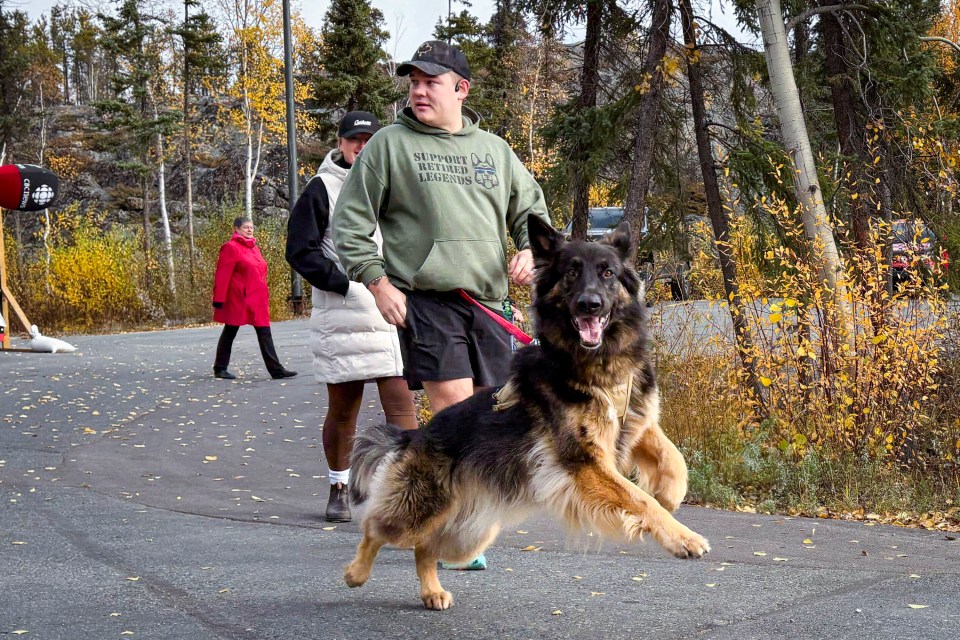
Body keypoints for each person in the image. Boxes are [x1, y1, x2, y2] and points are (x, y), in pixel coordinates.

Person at [333, 41, 551, 568]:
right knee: (455, 411)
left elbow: (531, 210)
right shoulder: (389, 145)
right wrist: (378, 283)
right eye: (413, 81)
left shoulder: (493, 151)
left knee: (497, 413)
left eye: (431, 81)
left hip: (490, 302)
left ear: (461, 88)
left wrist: (528, 249)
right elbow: (350, 224)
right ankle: (453, 527)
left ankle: (465, 514)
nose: (419, 89)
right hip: (428, 300)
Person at [286, 111, 418, 523]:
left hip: (391, 310)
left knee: (401, 407)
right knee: (344, 411)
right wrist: (343, 283)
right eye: (354, 139)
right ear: (340, 143)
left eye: (369, 139)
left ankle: (405, 492)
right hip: (342, 314)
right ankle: (339, 488)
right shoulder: (321, 188)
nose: (361, 146)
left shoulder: (394, 185)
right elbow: (300, 250)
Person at [212, 217, 297, 381]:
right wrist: (219, 298)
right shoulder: (230, 247)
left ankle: (276, 369)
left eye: (251, 227)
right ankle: (220, 368)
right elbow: (222, 274)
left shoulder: (254, 248)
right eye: (245, 227)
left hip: (258, 298)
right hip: (239, 298)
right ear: (236, 229)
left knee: (264, 332)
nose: (250, 230)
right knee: (230, 330)